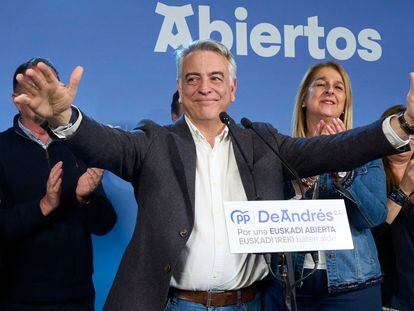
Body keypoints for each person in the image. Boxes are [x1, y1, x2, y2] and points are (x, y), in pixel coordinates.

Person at [13, 40, 414, 311]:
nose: (205, 87)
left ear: (233, 88)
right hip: (178, 304)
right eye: (193, 78)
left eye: (216, 78)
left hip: (253, 303)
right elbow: (105, 144)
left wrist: (402, 125)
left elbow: (334, 149)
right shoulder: (153, 141)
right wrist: (64, 117)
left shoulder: (261, 141)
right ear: (181, 88)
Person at [0, 57, 117, 310]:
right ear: (15, 100)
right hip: (16, 297)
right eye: (32, 91)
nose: (40, 98)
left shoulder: (80, 146)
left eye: (47, 88)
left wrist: (85, 199)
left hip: (76, 295)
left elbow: (105, 224)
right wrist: (42, 207)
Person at [286, 62, 386, 310]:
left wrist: (342, 169)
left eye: (338, 87)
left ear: (344, 104)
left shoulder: (367, 152)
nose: (330, 90)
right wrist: (311, 166)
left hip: (355, 286)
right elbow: (271, 214)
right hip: (296, 287)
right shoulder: (281, 153)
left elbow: (372, 217)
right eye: (320, 84)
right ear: (303, 100)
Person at [374, 105, 414, 311]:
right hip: (391, 299)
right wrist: (404, 189)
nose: (406, 139)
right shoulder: (371, 178)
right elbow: (373, 232)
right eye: (400, 132)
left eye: (412, 132)